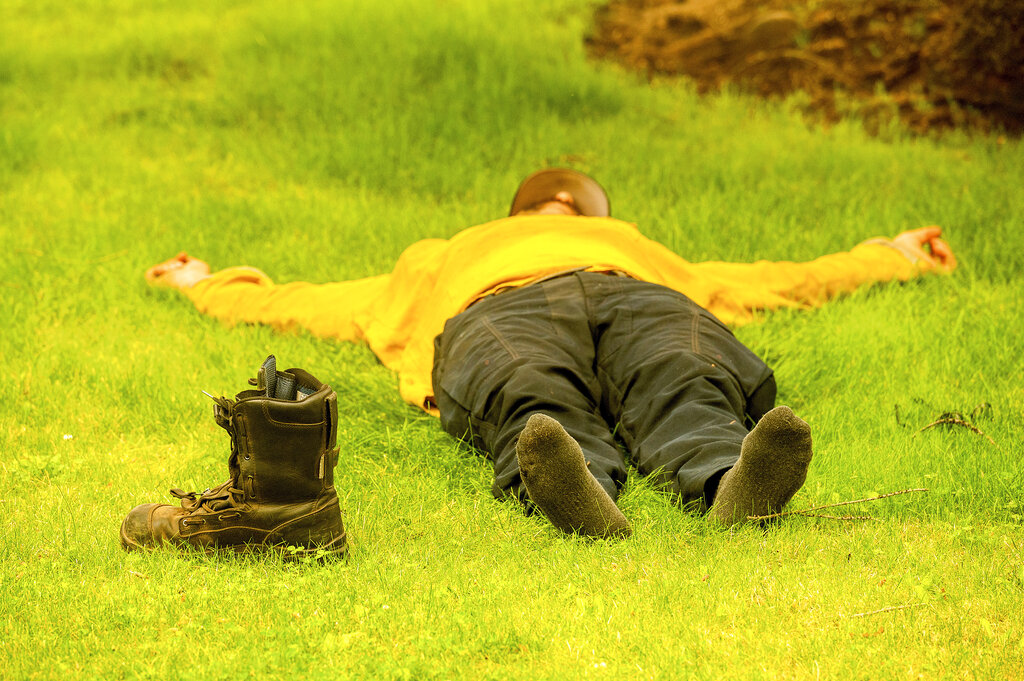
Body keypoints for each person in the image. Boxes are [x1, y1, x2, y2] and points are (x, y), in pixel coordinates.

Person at [138, 168, 956, 543]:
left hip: (638, 297)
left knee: (684, 368)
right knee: (527, 391)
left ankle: (731, 484)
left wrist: (892, 253)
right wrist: (208, 281)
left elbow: (786, 280)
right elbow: (307, 302)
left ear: (597, 214)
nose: (561, 201)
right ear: (519, 210)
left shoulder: (635, 246)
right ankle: (580, 494)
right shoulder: (446, 255)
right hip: (501, 309)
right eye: (547, 198)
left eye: (577, 199)